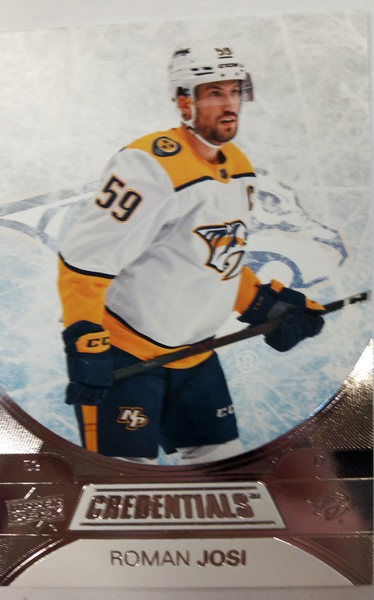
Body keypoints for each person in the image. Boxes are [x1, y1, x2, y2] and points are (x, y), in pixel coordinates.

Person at [57, 41, 325, 465]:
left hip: (195, 356)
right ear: (185, 102)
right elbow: (83, 260)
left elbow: (218, 259)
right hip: (127, 354)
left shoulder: (238, 166)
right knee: (122, 484)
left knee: (226, 471)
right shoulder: (148, 166)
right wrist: (85, 340)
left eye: (234, 91)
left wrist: (264, 305)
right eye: (215, 93)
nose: (230, 104)